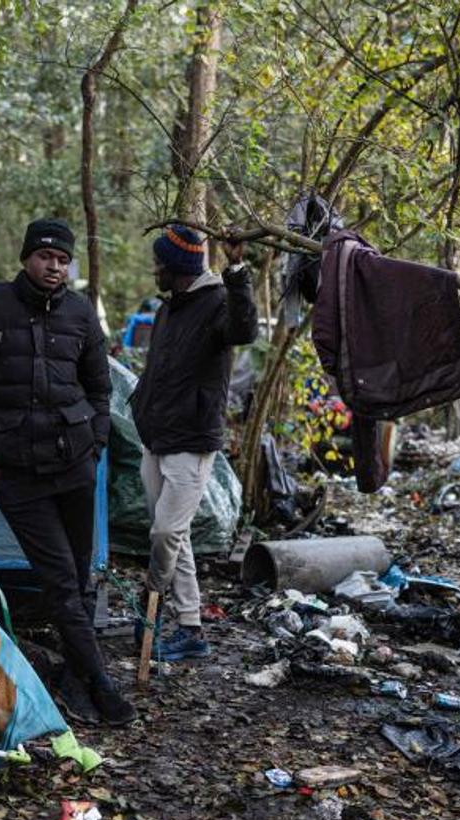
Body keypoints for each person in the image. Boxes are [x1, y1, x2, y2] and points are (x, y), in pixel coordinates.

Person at [0, 218, 137, 727]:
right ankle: (103, 688)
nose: (54, 267)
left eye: (62, 260)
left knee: (79, 578)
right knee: (61, 579)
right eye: (45, 258)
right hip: (16, 473)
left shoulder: (81, 314)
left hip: (74, 466)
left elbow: (100, 389)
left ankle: (77, 674)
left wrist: (96, 446)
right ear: (26, 258)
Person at [130, 224, 259, 661]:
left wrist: (238, 269)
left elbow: (245, 331)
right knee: (174, 536)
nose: (155, 269)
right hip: (157, 436)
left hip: (191, 439)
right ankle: (191, 629)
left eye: (159, 262)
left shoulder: (217, 302)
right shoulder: (170, 309)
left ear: (178, 267)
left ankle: (153, 597)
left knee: (166, 532)